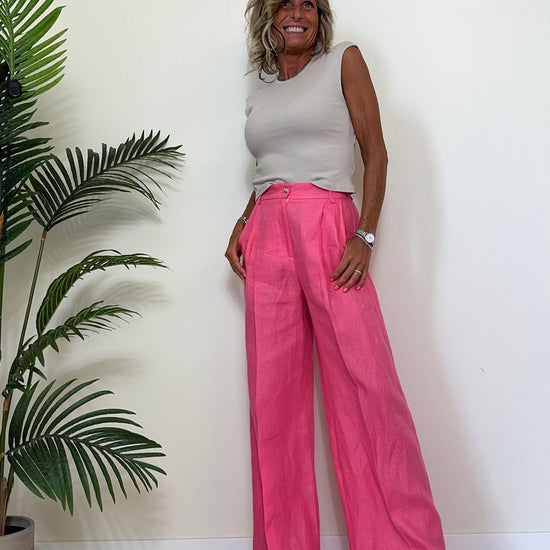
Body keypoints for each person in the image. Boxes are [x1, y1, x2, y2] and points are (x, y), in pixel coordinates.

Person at [225, 1, 446, 548]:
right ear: (268, 15)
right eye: (285, 2)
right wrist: (243, 222)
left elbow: (376, 153)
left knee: (366, 384)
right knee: (272, 396)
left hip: (327, 223)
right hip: (267, 230)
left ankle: (400, 540)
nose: (296, 12)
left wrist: (364, 235)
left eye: (308, 3)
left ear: (320, 16)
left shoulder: (343, 60)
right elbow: (267, 172)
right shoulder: (261, 86)